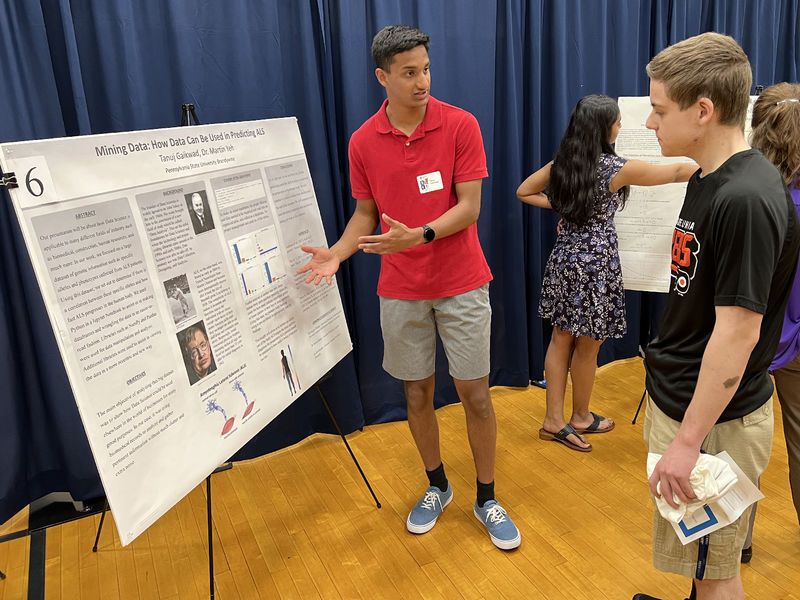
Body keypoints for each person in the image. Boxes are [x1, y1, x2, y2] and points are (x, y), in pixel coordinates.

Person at [297, 25, 520, 550]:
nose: (422, 81)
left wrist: (417, 235)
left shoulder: (461, 125)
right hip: (400, 291)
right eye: (409, 72)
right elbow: (365, 215)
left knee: (476, 395)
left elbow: (469, 208)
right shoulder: (362, 141)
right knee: (416, 392)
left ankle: (486, 496)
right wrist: (338, 251)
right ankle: (437, 486)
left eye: (425, 69)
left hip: (462, 283)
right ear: (383, 77)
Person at [633, 33, 800, 600]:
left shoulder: (746, 199)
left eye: (659, 109)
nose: (652, 123)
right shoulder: (711, 177)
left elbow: (737, 333)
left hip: (712, 426)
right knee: (702, 565)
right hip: (688, 405)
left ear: (703, 111)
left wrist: (687, 442)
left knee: (718, 571)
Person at [516, 94, 696, 453]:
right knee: (589, 344)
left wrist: (566, 207)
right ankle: (576, 416)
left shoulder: (564, 163)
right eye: (616, 121)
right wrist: (720, 163)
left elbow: (524, 191)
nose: (620, 125)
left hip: (566, 259)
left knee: (560, 339)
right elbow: (676, 171)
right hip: (596, 264)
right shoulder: (616, 169)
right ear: (603, 127)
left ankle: (559, 419)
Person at [741, 82, 800, 560]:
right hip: (790, 343)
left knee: (740, 448)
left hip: (750, 345)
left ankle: (734, 543)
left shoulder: (752, 198)